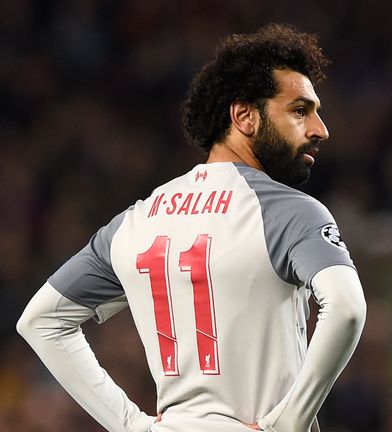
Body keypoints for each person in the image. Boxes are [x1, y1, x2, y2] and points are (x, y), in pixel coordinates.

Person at [16, 24, 366, 432]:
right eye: (300, 110)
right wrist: (288, 422)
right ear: (244, 116)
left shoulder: (136, 220)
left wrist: (130, 424)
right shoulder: (292, 213)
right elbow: (346, 308)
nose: (320, 129)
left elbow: (40, 321)